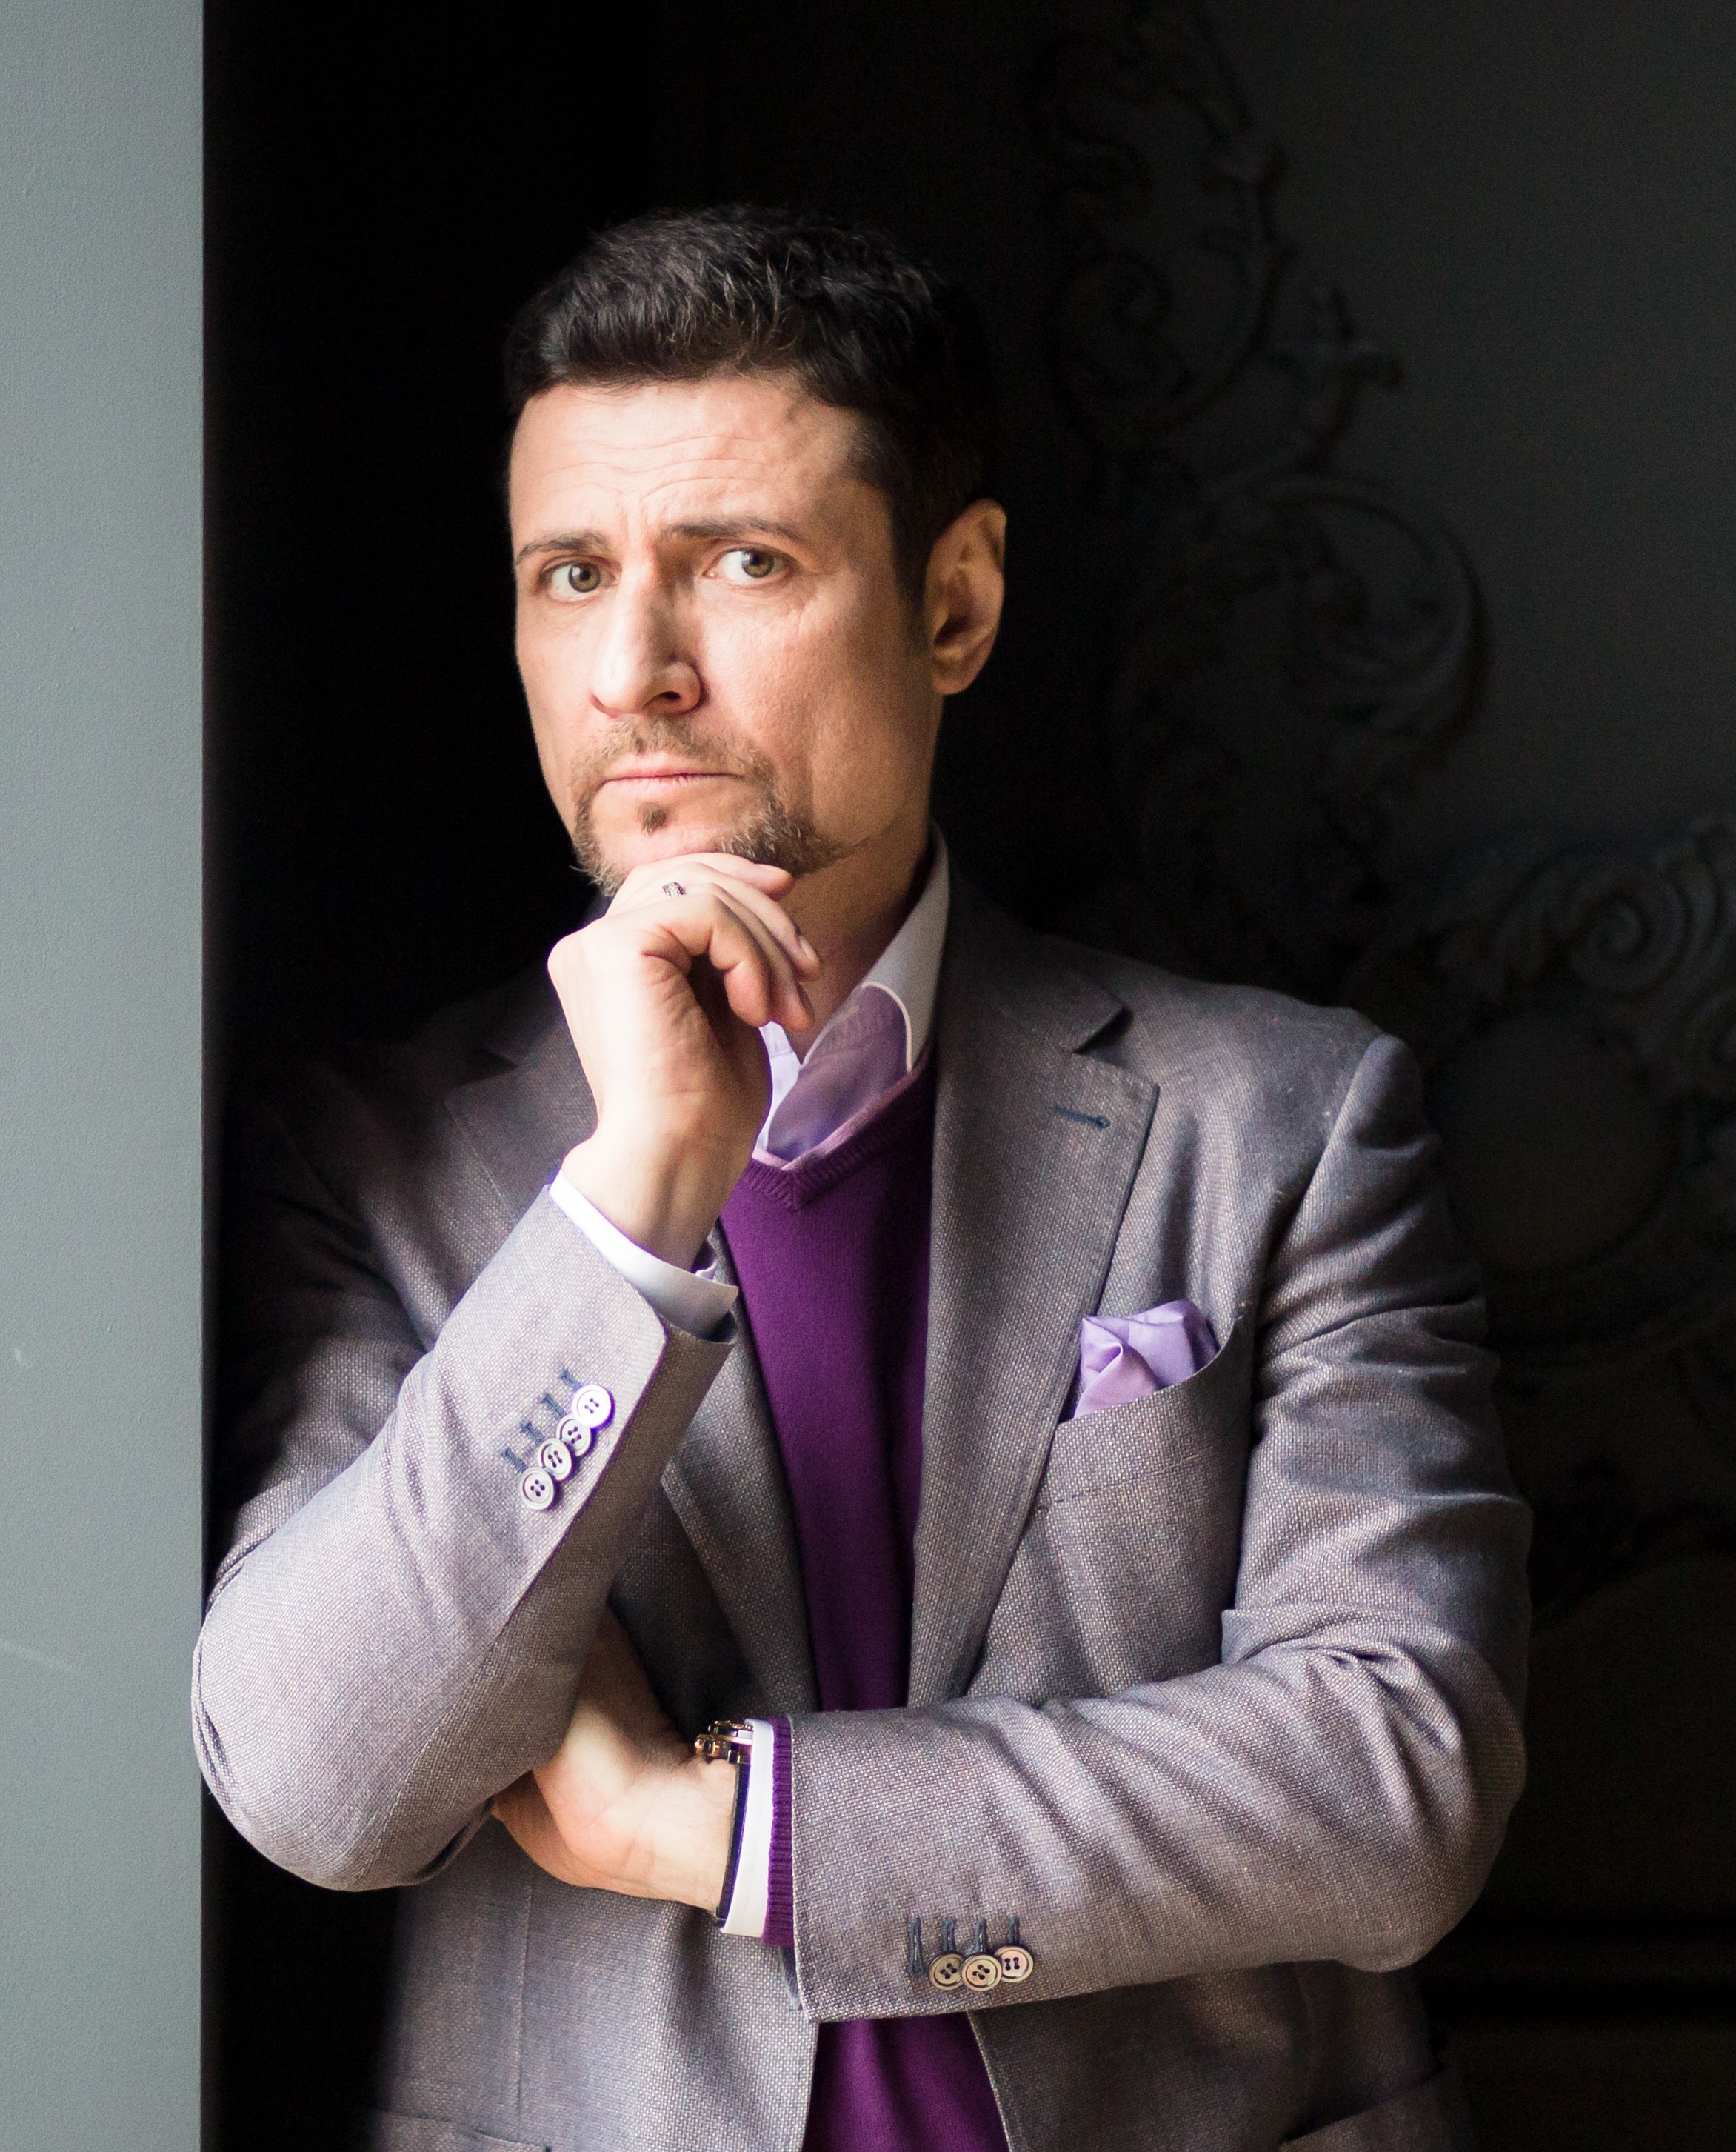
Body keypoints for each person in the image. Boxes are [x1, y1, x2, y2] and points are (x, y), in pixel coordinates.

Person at [194, 206, 1529, 2152]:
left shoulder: (1288, 1121)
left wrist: (733, 1833)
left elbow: (1397, 1785)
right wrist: (632, 1205)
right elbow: (319, 1783)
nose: (635, 669)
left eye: (742, 561)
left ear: (955, 605)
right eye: (572, 575)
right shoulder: (378, 1162)